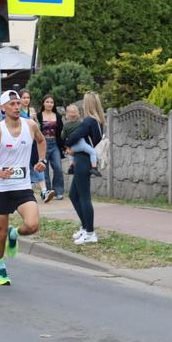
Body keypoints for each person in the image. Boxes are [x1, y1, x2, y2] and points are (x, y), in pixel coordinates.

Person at [0, 90, 48, 285]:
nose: (17, 107)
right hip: (1, 188)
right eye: (12, 104)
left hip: (22, 186)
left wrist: (42, 159)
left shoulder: (31, 125)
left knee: (33, 224)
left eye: (18, 103)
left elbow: (42, 141)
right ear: (3, 108)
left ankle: (14, 233)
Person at [64, 91, 105, 244]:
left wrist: (68, 145)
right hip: (85, 159)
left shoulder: (88, 121)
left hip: (83, 160)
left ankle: (90, 233)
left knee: (84, 197)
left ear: (87, 104)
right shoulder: (98, 121)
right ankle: (85, 226)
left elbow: (73, 137)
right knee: (74, 195)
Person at [19, 89, 54, 203]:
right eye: (24, 97)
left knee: (38, 164)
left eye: (28, 98)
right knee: (25, 167)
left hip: (33, 141)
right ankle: (27, 192)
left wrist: (34, 119)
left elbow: (37, 127)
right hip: (22, 143)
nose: (26, 100)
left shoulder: (31, 110)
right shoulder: (17, 110)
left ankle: (44, 192)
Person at [37, 94, 65, 199]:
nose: (49, 104)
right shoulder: (39, 115)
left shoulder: (57, 116)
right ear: (43, 103)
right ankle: (46, 191)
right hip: (42, 144)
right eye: (47, 102)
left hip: (54, 144)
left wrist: (63, 147)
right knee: (44, 169)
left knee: (58, 167)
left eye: (51, 102)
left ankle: (58, 191)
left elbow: (60, 133)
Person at [63, 104, 102, 177]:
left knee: (70, 154)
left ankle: (71, 166)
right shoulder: (81, 123)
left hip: (73, 147)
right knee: (93, 152)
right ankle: (94, 167)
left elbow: (63, 136)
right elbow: (79, 134)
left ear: (67, 115)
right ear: (77, 114)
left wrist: (66, 146)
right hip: (82, 145)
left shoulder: (65, 126)